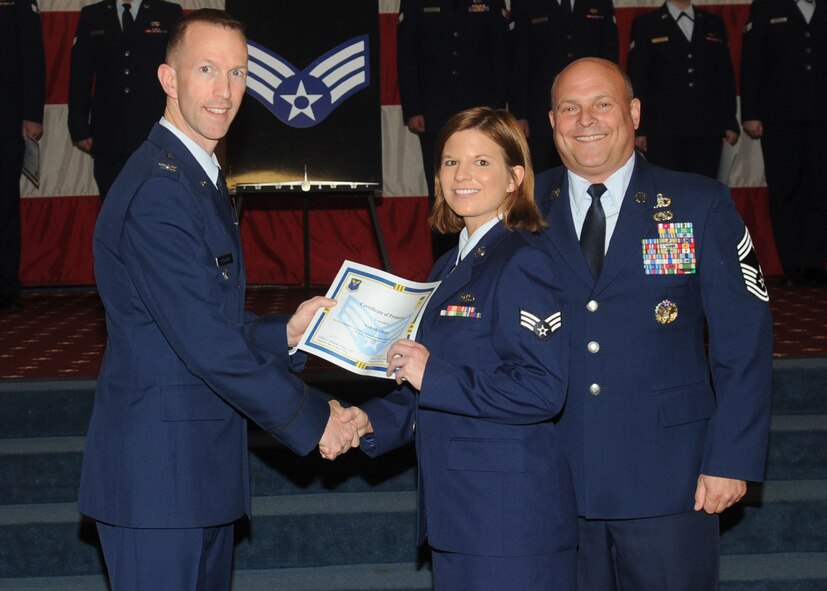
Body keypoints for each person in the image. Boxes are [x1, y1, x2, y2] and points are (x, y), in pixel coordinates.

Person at [77, 10, 366, 590]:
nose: (224, 91)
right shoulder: (161, 191)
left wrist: (284, 333)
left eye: (238, 73)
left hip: (195, 475)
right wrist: (315, 420)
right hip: (158, 486)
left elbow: (200, 322)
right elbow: (207, 346)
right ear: (168, 79)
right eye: (206, 70)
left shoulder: (194, 176)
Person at [534, 58, 772, 590]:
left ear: (634, 113)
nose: (586, 120)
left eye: (602, 104)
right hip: (551, 477)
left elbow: (743, 340)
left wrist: (731, 457)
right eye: (570, 108)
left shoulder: (698, 203)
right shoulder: (520, 208)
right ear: (552, 122)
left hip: (672, 477)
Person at [345, 107, 577, 590]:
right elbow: (429, 391)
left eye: (481, 162)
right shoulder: (447, 267)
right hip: (461, 517)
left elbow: (541, 390)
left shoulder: (524, 260)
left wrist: (433, 375)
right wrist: (369, 422)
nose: (462, 175)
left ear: (516, 177)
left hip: (508, 521)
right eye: (451, 163)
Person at [396, 0, 510, 259]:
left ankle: (489, 259)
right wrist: (413, 108)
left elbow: (501, 51)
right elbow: (407, 52)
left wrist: (497, 108)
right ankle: (445, 265)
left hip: (481, 112)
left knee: (487, 186)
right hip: (435, 113)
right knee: (442, 192)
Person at [740, 0, 827, 287]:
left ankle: (814, 264)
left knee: (819, 189)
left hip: (821, 117)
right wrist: (751, 113)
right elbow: (753, 60)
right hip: (779, 118)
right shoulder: (767, 7)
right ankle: (791, 265)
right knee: (785, 190)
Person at [69, 0, 183, 200]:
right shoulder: (93, 15)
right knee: (113, 208)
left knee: (155, 207)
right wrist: (78, 125)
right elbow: (81, 74)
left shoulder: (168, 13)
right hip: (108, 136)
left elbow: (180, 73)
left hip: (155, 133)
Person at [627, 0, 739, 179]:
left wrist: (730, 121)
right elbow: (638, 77)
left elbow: (724, 76)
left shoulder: (713, 23)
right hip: (663, 128)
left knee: (704, 187)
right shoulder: (647, 24)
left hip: (707, 126)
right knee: (666, 188)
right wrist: (640, 128)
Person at [509, 0, 618, 172]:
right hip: (540, 108)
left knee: (589, 160)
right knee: (541, 168)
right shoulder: (525, 4)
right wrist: (519, 113)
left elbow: (610, 57)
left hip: (591, 105)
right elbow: (519, 60)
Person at [0, 0, 45, 312]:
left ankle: (4, 288)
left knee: (3, 207)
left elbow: (31, 55)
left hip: (6, 119)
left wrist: (31, 114)